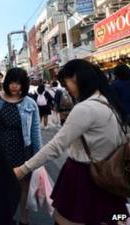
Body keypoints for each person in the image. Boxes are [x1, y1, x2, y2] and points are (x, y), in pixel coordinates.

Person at [14, 59, 129, 225]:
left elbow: (56, 146)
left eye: (66, 81)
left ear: (75, 77)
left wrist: (22, 169)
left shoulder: (85, 109)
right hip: (110, 176)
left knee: (66, 220)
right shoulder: (109, 102)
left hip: (83, 178)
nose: (66, 86)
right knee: (112, 218)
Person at [0, 68, 42, 225]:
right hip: (0, 150)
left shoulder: (30, 104)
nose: (14, 86)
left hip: (23, 150)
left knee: (24, 187)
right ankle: (5, 217)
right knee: (2, 186)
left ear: (23, 84)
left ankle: (24, 220)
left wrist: (39, 158)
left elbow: (35, 131)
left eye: (18, 83)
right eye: (12, 82)